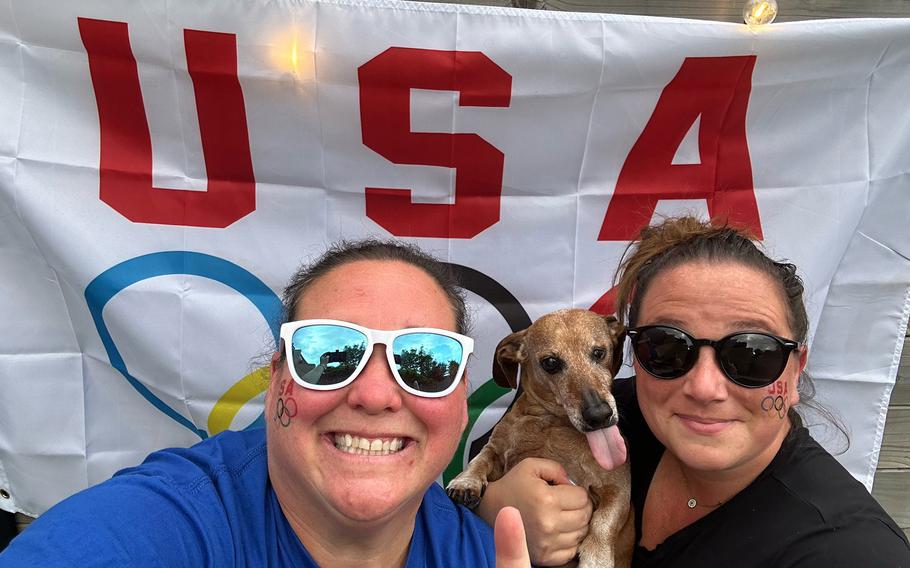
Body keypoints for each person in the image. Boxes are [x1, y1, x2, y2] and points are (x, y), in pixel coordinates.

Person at [0, 240, 521, 567]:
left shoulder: (479, 552)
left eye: (425, 360)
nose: (375, 395)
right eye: (328, 352)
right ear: (277, 381)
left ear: (457, 394)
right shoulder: (172, 523)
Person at [479, 216, 910, 566]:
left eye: (751, 353)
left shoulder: (846, 551)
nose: (704, 387)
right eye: (666, 347)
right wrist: (494, 507)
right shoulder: (621, 411)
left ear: (795, 372)